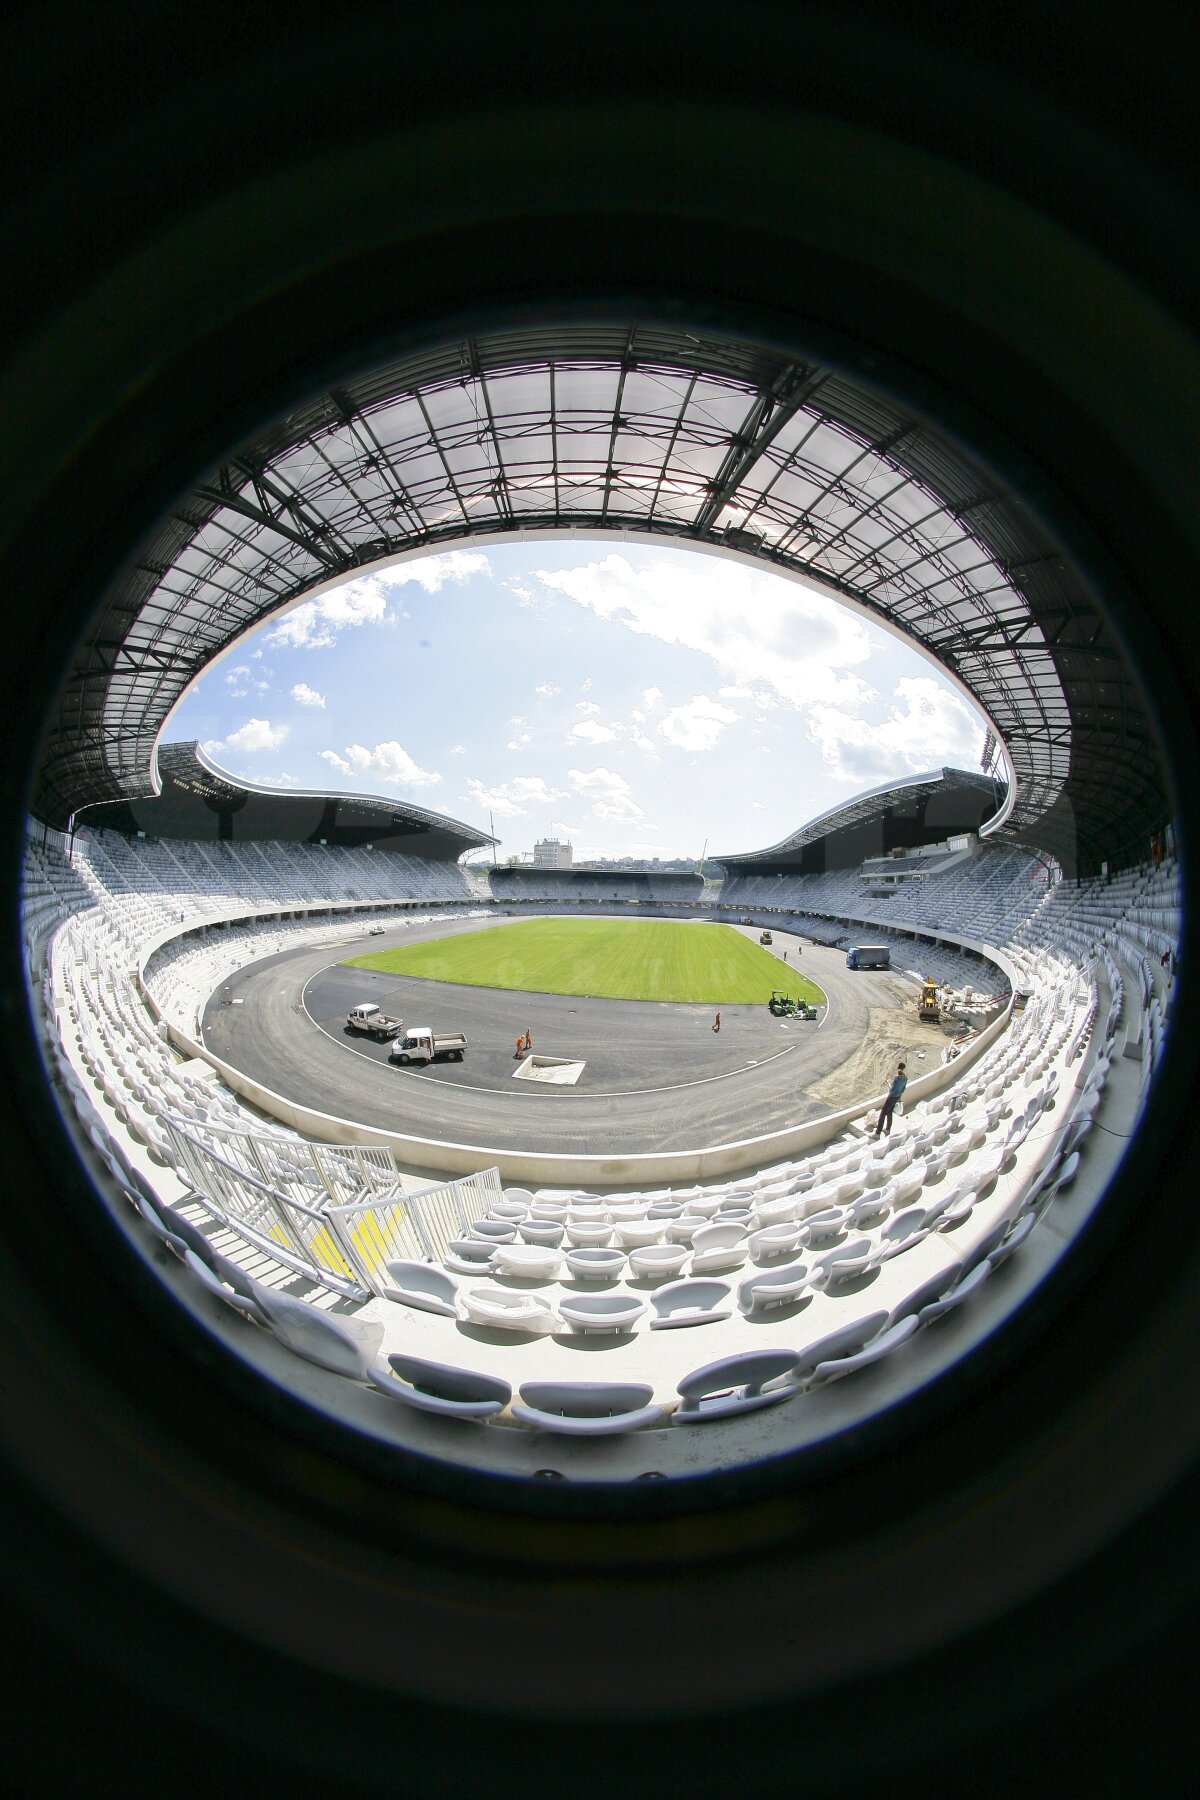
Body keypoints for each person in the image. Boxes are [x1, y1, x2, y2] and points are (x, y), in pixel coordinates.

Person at [875, 1061, 907, 1137]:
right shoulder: (905, 1077)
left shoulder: (897, 1078)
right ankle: (888, 1129)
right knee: (889, 1112)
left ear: (898, 1067)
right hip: (897, 1097)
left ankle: (877, 1132)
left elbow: (892, 1090)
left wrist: (888, 1083)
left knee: (883, 1113)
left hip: (891, 1097)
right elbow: (903, 1089)